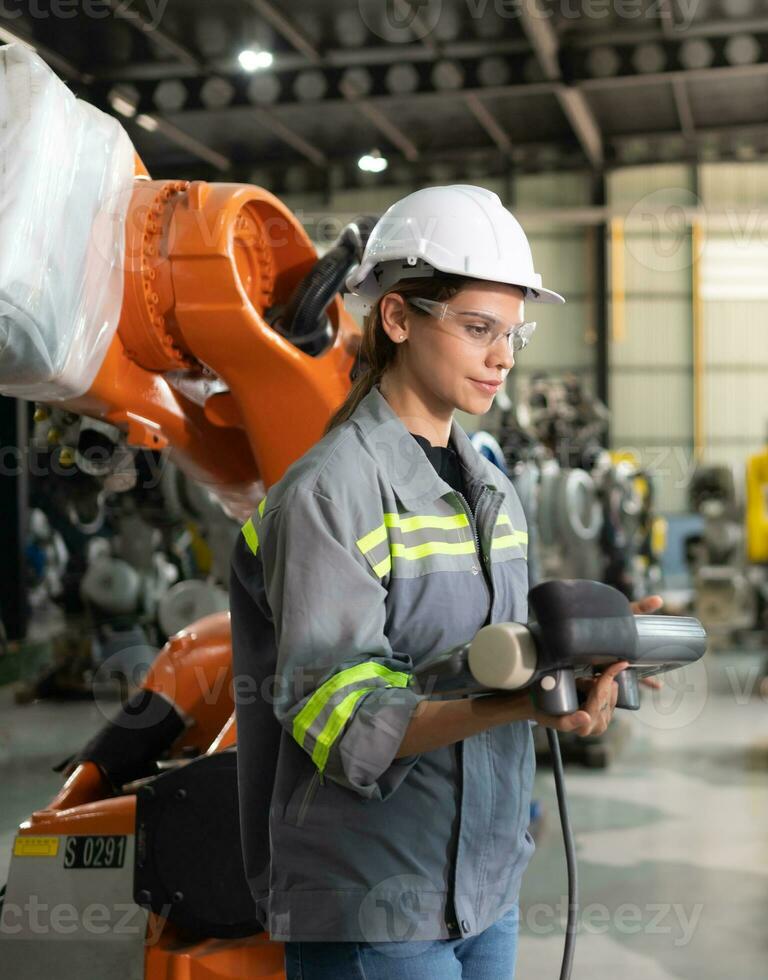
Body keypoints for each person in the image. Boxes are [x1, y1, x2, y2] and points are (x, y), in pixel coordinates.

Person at [229, 184, 662, 979]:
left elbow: (476, 657)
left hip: (484, 884)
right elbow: (343, 718)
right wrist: (520, 703)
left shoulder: (487, 485)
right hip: (375, 896)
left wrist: (587, 649)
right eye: (477, 329)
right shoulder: (330, 492)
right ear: (396, 319)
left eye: (512, 334)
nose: (503, 357)